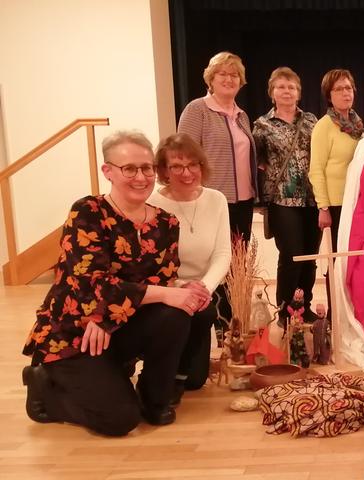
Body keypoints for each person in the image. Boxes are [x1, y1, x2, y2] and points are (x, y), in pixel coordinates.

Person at [21, 131, 210, 436]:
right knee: (119, 420)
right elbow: (90, 285)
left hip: (117, 323)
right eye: (129, 169)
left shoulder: (166, 223)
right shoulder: (87, 212)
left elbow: (161, 282)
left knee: (179, 311)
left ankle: (155, 400)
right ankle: (46, 386)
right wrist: (101, 315)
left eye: (147, 168)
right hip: (76, 333)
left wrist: (180, 291)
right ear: (107, 171)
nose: (141, 177)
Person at [148, 133, 231, 404]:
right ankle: (164, 374)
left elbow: (222, 254)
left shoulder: (216, 199)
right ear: (163, 170)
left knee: (196, 382)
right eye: (177, 166)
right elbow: (150, 263)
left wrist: (203, 287)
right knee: (188, 311)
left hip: (202, 291)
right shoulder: (152, 204)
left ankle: (181, 373)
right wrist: (181, 288)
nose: (187, 173)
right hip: (165, 289)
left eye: (193, 164)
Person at [253, 67, 320, 313]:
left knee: (310, 258)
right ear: (272, 93)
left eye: (291, 87)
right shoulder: (262, 125)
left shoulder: (312, 120)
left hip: (312, 199)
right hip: (281, 200)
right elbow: (257, 163)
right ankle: (285, 309)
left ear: (299, 93)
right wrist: (260, 199)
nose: (287, 91)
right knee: (291, 256)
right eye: (281, 86)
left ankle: (305, 307)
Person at [177, 51, 257, 243]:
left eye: (234, 75)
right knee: (214, 258)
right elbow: (182, 156)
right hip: (210, 200)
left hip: (244, 202)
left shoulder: (242, 116)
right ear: (211, 79)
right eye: (222, 74)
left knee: (238, 260)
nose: (229, 79)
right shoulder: (197, 109)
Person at [308, 69, 364, 318]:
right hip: (335, 204)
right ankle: (335, 317)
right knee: (336, 262)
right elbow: (316, 169)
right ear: (329, 96)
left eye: (349, 88)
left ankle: (353, 311)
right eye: (339, 89)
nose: (346, 93)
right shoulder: (324, 126)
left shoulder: (357, 124)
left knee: (354, 261)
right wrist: (323, 207)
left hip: (356, 203)